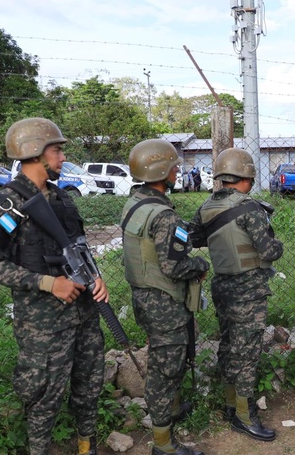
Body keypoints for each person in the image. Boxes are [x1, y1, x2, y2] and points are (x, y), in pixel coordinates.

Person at [0, 118, 108, 455]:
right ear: (34, 152)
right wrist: (49, 284)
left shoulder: (64, 200)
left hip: (84, 314)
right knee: (43, 396)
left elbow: (79, 246)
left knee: (89, 385)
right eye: (57, 150)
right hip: (43, 324)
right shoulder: (8, 205)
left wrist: (96, 277)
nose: (62, 157)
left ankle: (86, 447)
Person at [121, 139, 209, 455]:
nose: (177, 170)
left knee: (167, 363)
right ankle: (164, 445)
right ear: (162, 170)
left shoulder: (135, 204)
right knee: (165, 370)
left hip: (144, 296)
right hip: (164, 302)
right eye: (174, 165)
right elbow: (173, 265)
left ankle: (170, 411)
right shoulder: (163, 215)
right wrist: (200, 264)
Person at [190, 147, 283, 442]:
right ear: (247, 176)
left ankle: (231, 405)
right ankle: (244, 416)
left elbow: (194, 238)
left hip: (222, 286)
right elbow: (270, 250)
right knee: (248, 352)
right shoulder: (250, 207)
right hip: (248, 290)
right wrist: (277, 243)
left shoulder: (205, 207)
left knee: (229, 345)